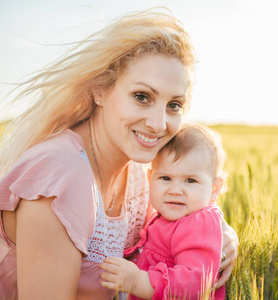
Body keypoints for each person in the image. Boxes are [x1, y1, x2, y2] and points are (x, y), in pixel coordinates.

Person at [0, 9, 238, 300]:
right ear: (100, 90)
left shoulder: (138, 172)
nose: (159, 123)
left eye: (174, 105)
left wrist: (224, 235)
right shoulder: (61, 174)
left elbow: (178, 221)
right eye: (142, 97)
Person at [98, 122, 227, 300]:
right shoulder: (164, 216)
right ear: (150, 178)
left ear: (214, 188)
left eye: (190, 181)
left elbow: (195, 285)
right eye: (165, 178)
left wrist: (137, 281)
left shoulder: (199, 223)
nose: (175, 190)